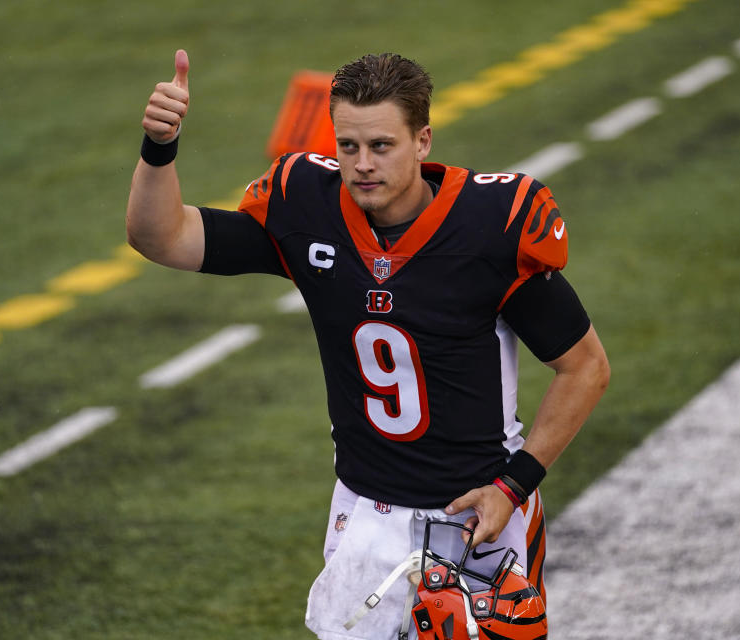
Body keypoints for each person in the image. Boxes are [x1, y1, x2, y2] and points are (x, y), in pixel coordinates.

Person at [127, 49, 610, 639]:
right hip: (365, 508)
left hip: (477, 514)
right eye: (347, 146)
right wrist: (159, 146)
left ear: (422, 140)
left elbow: (585, 367)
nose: (361, 165)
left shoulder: (487, 229)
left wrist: (513, 488)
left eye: (381, 145)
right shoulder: (310, 209)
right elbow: (163, 236)